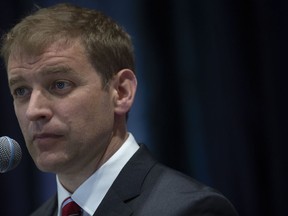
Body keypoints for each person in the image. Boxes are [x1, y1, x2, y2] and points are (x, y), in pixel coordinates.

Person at [1, 3, 238, 216]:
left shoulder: (191, 210)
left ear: (121, 92)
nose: (33, 111)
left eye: (60, 84)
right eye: (21, 91)